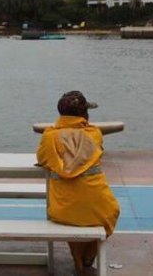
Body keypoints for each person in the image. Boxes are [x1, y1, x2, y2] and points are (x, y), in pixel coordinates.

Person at [37, 90, 120, 276]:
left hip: (62, 209)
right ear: (85, 114)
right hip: (98, 206)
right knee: (111, 212)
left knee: (72, 217)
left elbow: (43, 158)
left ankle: (78, 258)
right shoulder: (95, 134)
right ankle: (89, 255)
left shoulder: (50, 136)